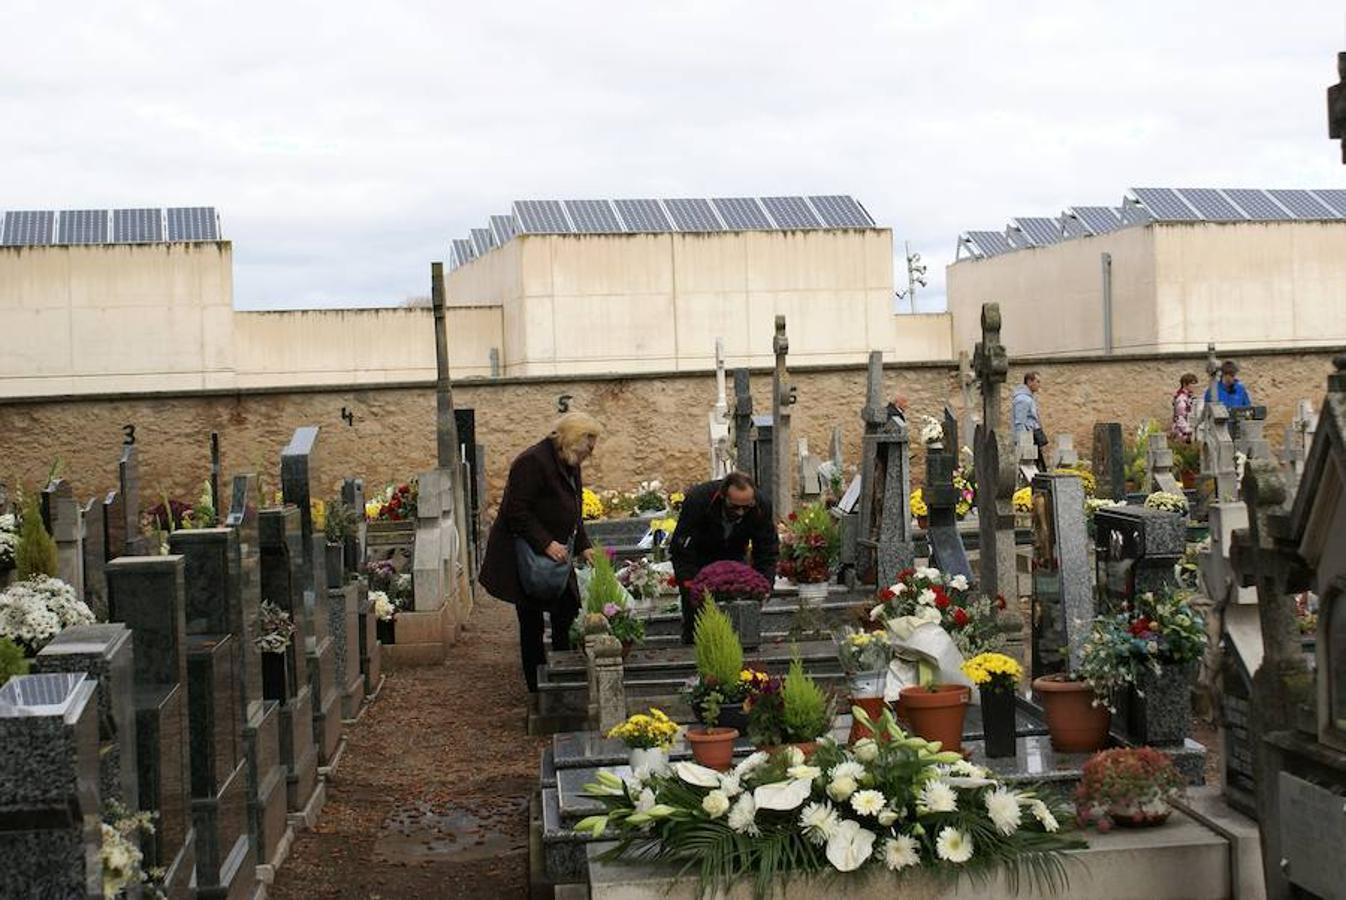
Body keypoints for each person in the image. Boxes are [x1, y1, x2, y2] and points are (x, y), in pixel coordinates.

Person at [479, 412, 601, 692]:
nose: (591, 452)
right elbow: (516, 511)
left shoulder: (570, 462)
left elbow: (574, 512)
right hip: (526, 556)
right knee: (531, 622)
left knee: (568, 611)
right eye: (589, 443)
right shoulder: (532, 461)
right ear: (572, 438)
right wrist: (546, 543)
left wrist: (583, 546)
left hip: (557, 554)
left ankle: (563, 676)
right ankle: (538, 687)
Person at [668, 472, 779, 644]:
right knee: (696, 624)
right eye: (734, 507)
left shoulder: (761, 505)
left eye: (746, 507)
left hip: (734, 558)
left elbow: (767, 549)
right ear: (722, 496)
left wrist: (765, 583)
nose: (741, 512)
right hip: (700, 557)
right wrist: (690, 584)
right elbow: (681, 548)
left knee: (738, 619)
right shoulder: (699, 500)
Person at [1011, 371, 1047, 466]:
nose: (1039, 385)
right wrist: (1021, 443)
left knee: (1039, 466)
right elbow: (1019, 422)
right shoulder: (1023, 399)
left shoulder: (1028, 398)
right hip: (1027, 438)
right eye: (1037, 381)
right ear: (1029, 382)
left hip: (1032, 436)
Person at [1171, 373, 1199, 443]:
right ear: (1185, 384)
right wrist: (1188, 431)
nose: (1194, 386)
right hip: (1182, 433)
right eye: (1192, 383)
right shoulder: (1181, 398)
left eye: (1195, 383)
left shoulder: (1189, 397)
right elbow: (1180, 417)